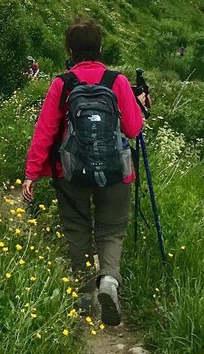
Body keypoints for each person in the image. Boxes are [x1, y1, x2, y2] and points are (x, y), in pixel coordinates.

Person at [22, 18, 144, 326]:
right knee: (111, 230)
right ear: (100, 47)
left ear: (70, 50)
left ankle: (83, 295)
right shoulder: (117, 81)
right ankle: (109, 281)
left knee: (77, 229)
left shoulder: (61, 84)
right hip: (116, 173)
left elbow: (45, 132)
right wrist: (141, 106)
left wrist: (32, 173)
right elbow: (133, 128)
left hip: (71, 172)